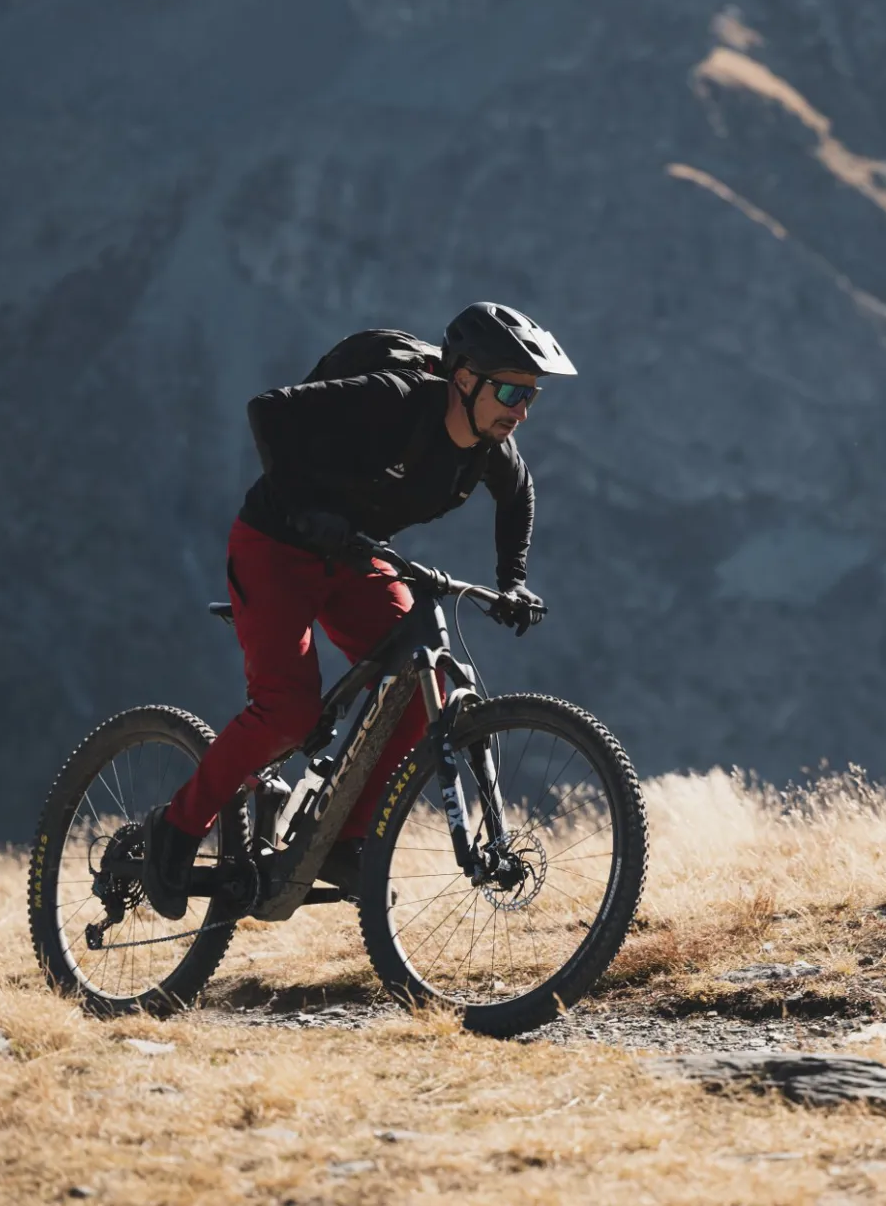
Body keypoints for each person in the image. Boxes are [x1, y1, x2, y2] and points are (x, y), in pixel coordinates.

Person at [141, 302, 576, 920]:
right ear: (464, 379)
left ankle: (346, 841)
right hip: (276, 547)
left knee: (418, 683)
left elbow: (519, 495)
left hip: (356, 555)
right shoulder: (394, 398)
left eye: (531, 396)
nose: (521, 410)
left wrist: (514, 583)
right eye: (510, 391)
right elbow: (269, 411)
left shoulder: (489, 448)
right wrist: (303, 509)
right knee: (287, 712)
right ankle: (176, 829)